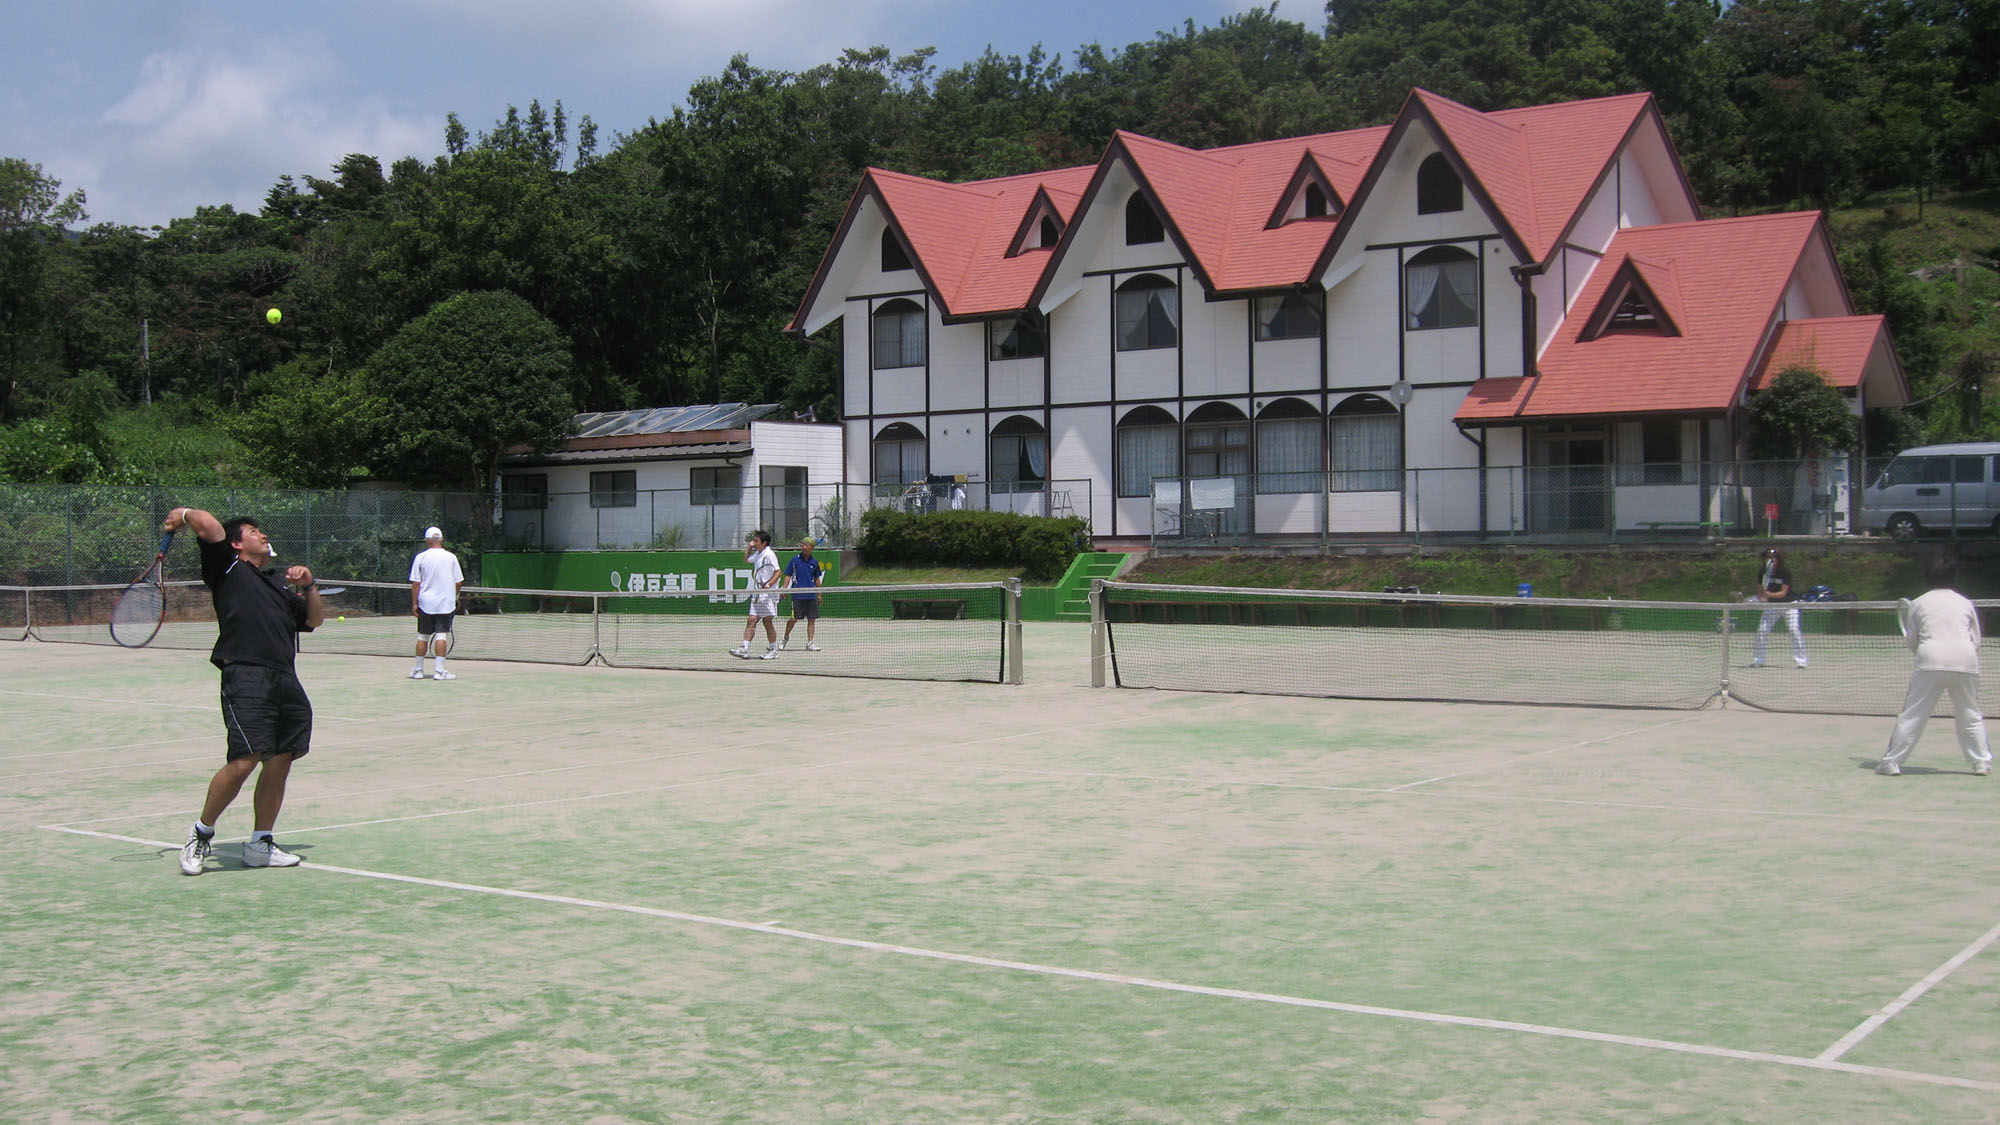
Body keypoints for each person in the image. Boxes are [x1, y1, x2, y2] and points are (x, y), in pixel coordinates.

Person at [164, 506, 325, 876]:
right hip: (245, 676)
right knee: (244, 760)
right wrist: (180, 514)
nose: (263, 535)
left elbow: (314, 619)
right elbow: (206, 522)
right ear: (236, 543)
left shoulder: (277, 585)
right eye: (254, 531)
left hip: (285, 680)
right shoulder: (227, 569)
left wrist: (310, 585)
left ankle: (261, 843)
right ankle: (201, 833)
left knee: (280, 760)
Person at [1878, 554, 1992, 777]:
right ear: (1954, 577)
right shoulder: (1965, 603)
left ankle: (1891, 762)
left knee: (1913, 715)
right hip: (1965, 660)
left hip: (1930, 660)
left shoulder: (1918, 603)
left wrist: (1928, 656)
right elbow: (1976, 640)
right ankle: (1981, 763)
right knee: (1969, 713)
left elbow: (1912, 641)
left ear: (1926, 577)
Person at [408, 525, 464, 680]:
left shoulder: (421, 557)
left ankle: (418, 670)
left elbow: (416, 583)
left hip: (425, 602)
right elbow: (458, 582)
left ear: (427, 540)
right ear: (442, 539)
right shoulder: (451, 557)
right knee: (441, 635)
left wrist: (414, 603)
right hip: (445, 603)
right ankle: (439, 672)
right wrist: (455, 596)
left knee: (422, 636)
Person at [1750, 546, 1808, 668]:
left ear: (1778, 559)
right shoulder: (1762, 573)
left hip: (1789, 605)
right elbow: (1760, 590)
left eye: (1772, 557)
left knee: (1794, 631)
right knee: (1762, 631)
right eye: (1767, 557)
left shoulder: (1785, 572)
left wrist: (1769, 594)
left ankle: (1801, 661)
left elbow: (1783, 593)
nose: (1770, 559)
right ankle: (1758, 660)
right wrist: (1762, 598)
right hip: (1772, 606)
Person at [729, 529, 782, 660]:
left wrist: (768, 585)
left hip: (768, 594)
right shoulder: (758, 554)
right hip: (757, 593)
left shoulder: (769, 554)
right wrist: (749, 546)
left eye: (756, 541)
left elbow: (778, 572)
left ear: (764, 543)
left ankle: (774, 649)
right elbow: (746, 559)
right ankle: (744, 649)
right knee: (751, 620)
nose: (754, 542)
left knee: (767, 622)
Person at [781, 536, 825, 651]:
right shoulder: (794, 560)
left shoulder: (814, 562)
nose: (804, 547)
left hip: (810, 595)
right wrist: (784, 589)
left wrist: (819, 594)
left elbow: (817, 580)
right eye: (803, 545)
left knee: (812, 619)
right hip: (797, 595)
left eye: (807, 545)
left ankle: (810, 643)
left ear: (811, 548)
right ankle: (785, 638)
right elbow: (788, 576)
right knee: (794, 619)